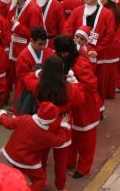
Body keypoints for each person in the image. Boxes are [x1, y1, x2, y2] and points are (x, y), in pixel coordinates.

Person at [22, 55, 84, 191]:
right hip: (63, 123)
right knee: (61, 162)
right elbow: (80, 100)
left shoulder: (39, 85)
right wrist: (75, 82)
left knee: (41, 158)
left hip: (43, 125)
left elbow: (26, 78)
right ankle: (61, 187)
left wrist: (37, 73)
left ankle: (41, 183)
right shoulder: (69, 88)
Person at [53, 35, 100, 179]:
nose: (61, 55)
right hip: (72, 107)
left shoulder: (81, 63)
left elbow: (91, 86)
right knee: (71, 135)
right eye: (60, 53)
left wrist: (75, 86)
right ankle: (70, 161)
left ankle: (84, 167)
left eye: (64, 53)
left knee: (86, 140)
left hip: (86, 108)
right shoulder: (63, 60)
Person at [0, 102, 71, 191]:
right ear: (51, 121)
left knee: (18, 173)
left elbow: (8, 123)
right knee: (40, 179)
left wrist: (3, 114)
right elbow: (60, 141)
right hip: (26, 160)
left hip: (11, 154)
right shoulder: (46, 135)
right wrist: (64, 125)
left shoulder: (25, 118)